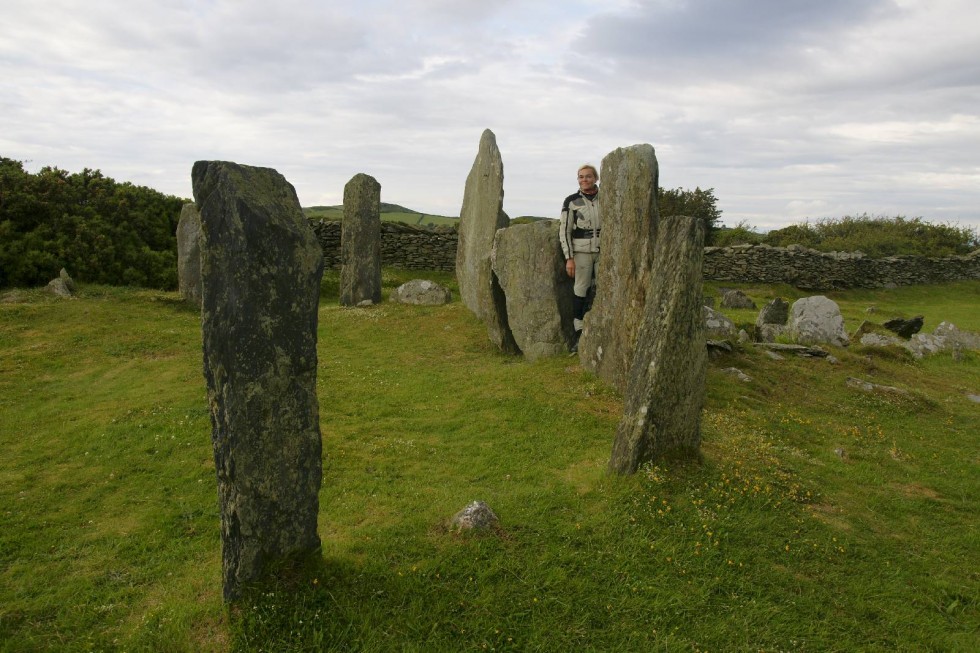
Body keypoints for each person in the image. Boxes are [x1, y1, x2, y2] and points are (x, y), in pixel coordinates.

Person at [559, 164, 601, 353]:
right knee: (581, 289)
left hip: (604, 251)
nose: (584, 180)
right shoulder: (571, 201)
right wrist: (569, 258)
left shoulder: (606, 198)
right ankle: (579, 333)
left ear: (595, 178)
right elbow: (565, 231)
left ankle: (601, 328)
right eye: (581, 177)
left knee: (602, 288)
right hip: (581, 251)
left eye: (588, 177)